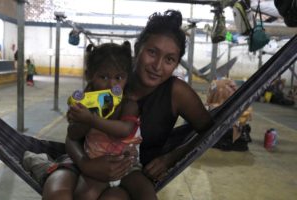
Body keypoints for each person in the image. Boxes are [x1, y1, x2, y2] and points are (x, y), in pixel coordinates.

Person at [42, 9, 213, 200]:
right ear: (137, 49)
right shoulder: (112, 79)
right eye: (152, 52)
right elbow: (72, 135)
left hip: (132, 173)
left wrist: (170, 158)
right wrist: (85, 164)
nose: (157, 66)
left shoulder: (177, 93)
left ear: (176, 63)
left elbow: (210, 132)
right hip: (88, 159)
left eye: (169, 59)